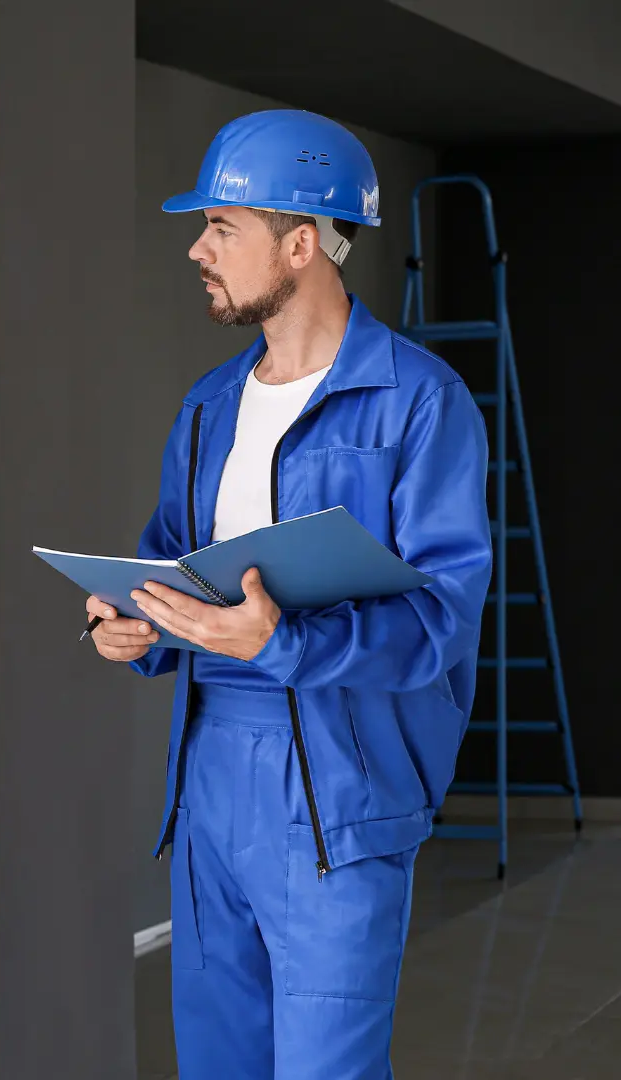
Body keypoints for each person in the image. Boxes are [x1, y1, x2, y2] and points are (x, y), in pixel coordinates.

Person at [85, 110, 493, 1079]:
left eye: (222, 228)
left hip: (338, 787)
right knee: (218, 1061)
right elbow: (172, 567)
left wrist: (284, 644)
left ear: (301, 243)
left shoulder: (419, 401)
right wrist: (139, 624)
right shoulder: (208, 404)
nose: (197, 249)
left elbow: (441, 616)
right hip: (209, 780)